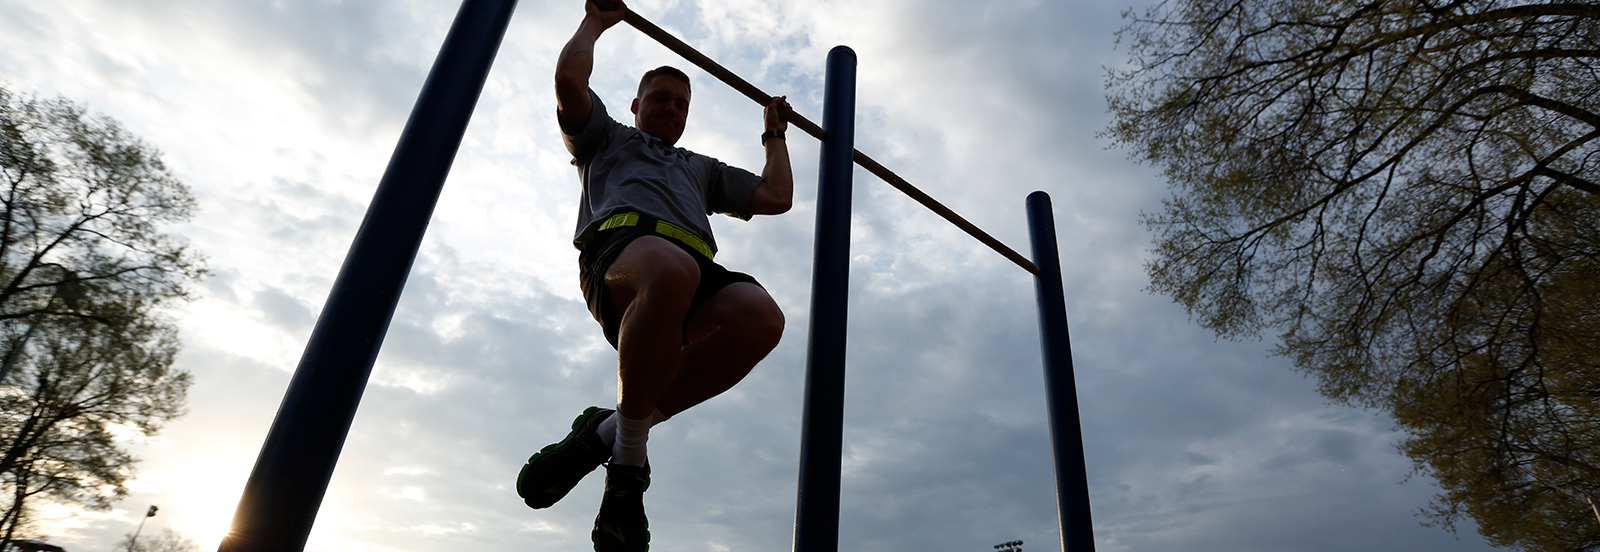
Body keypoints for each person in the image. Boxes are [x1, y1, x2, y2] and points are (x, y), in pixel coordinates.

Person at [515, 0, 794, 550]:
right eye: (661, 99)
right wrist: (596, 22)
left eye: (681, 105)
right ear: (637, 104)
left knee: (762, 320)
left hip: (693, 269)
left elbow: (776, 196)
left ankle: (606, 434)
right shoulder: (606, 138)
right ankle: (629, 470)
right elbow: (570, 79)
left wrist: (774, 134)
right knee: (670, 270)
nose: (671, 110)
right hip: (622, 256)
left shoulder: (701, 168)